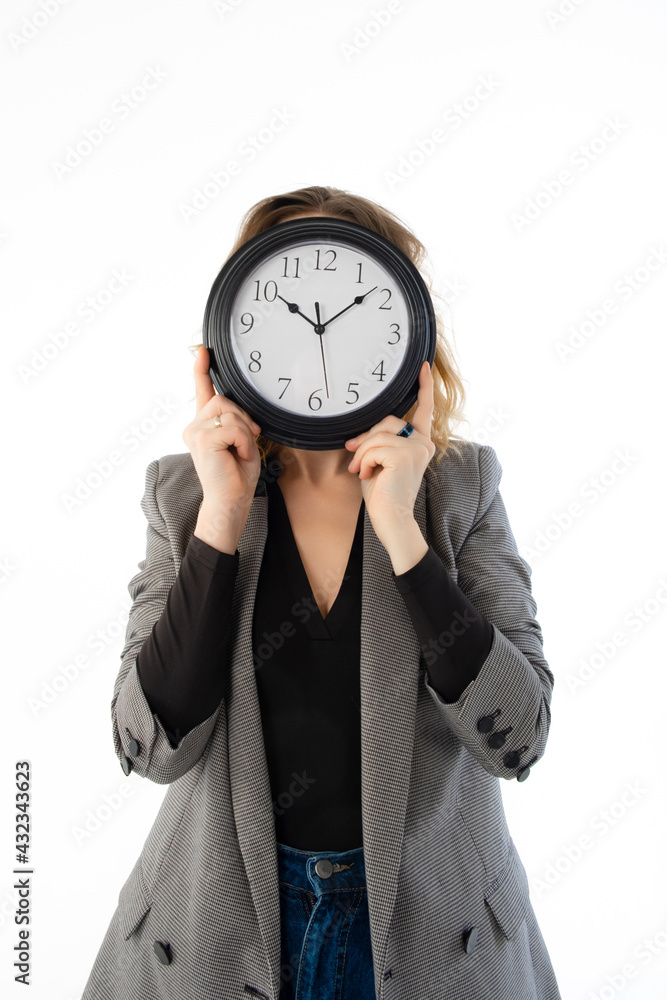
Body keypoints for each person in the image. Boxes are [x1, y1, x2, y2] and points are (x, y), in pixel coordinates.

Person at [81, 185, 561, 1000]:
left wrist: (403, 531)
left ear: (408, 332)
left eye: (356, 304)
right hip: (220, 939)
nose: (318, 327)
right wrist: (222, 517)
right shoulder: (186, 498)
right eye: (287, 311)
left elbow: (517, 738)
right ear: (232, 336)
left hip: (428, 940)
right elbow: (150, 747)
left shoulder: (459, 488)